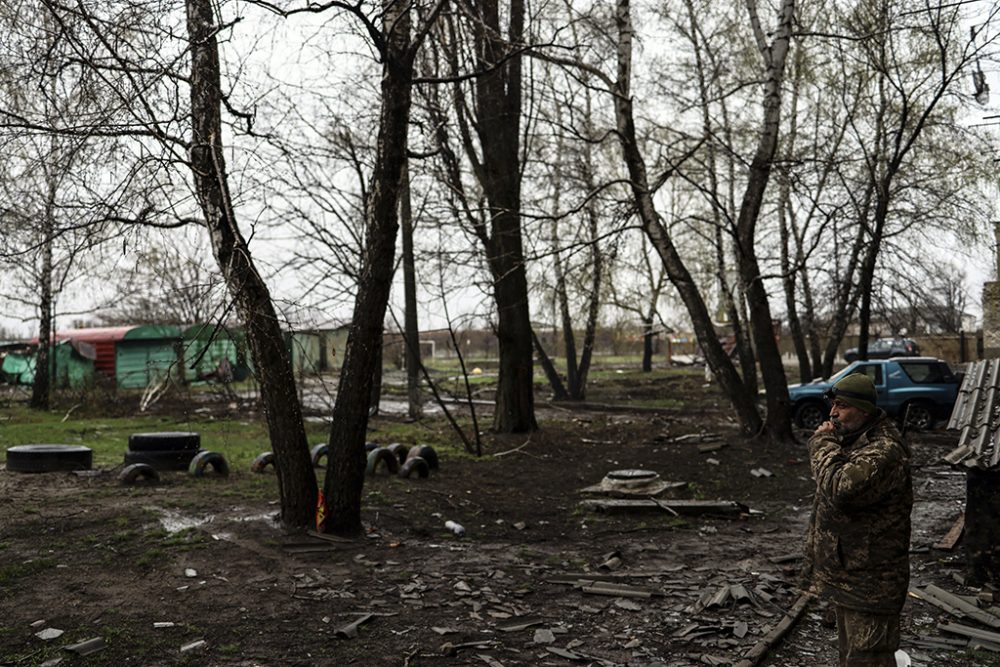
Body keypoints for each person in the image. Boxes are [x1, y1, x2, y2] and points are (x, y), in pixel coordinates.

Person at [802, 372, 913, 667]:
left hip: (872, 585)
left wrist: (822, 444)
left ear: (863, 411)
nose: (832, 413)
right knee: (851, 658)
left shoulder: (884, 451)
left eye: (842, 406)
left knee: (868, 660)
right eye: (833, 405)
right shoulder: (854, 442)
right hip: (850, 579)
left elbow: (841, 489)